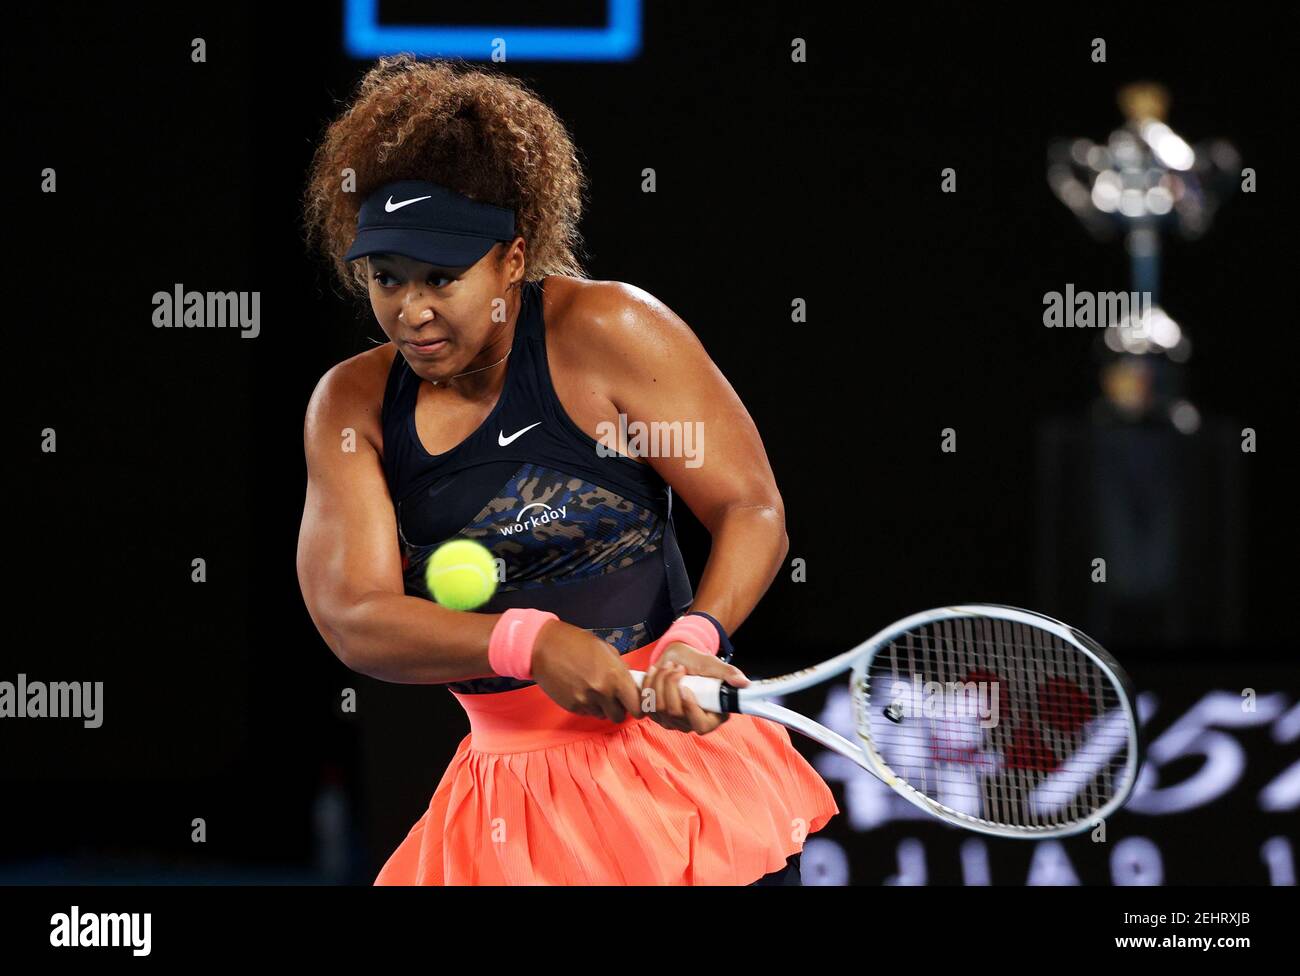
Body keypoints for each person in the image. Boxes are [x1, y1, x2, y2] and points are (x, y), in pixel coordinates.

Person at [297, 54, 837, 885]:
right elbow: (353, 616)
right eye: (386, 278)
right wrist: (529, 641)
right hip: (503, 805)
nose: (412, 309)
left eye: (442, 277)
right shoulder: (352, 405)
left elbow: (749, 507)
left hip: (674, 781)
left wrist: (697, 638)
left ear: (513, 260)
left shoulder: (613, 332)